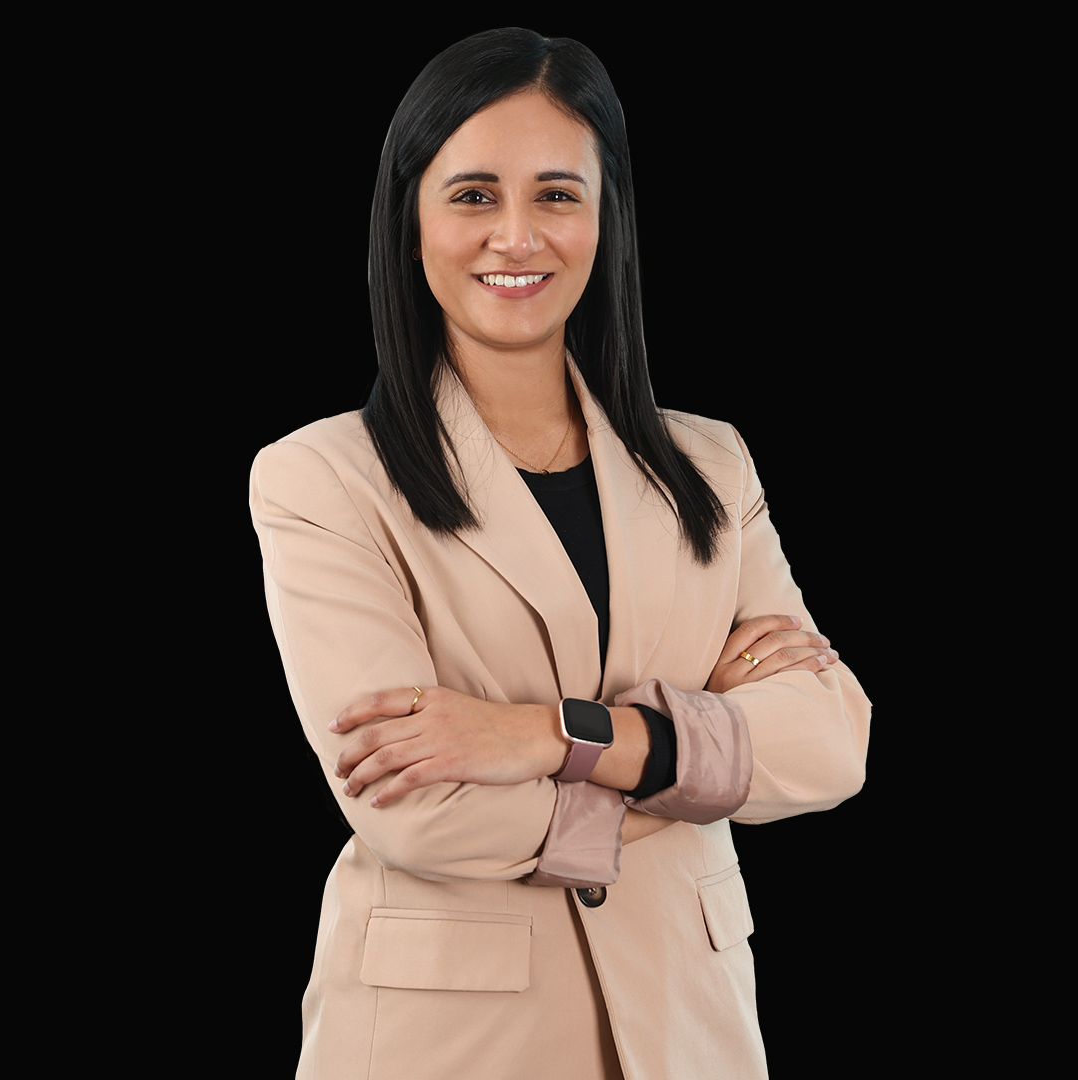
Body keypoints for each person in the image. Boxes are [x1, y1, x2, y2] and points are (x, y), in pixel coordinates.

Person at [250, 26, 870, 1080]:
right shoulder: (324, 478)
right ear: (410, 219)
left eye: (556, 194)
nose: (517, 235)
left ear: (606, 217)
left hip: (689, 1030)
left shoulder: (712, 465)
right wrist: (699, 757)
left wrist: (541, 734)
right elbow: (417, 808)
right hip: (450, 1045)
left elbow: (830, 742)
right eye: (473, 195)